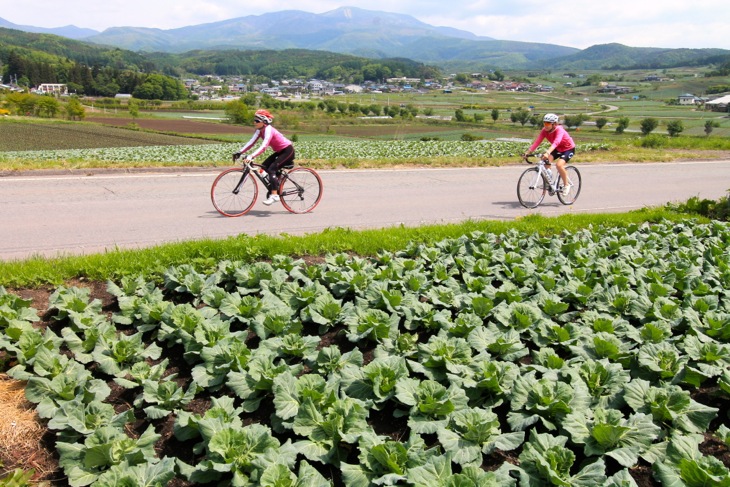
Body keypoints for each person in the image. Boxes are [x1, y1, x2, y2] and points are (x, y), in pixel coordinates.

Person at [232, 109, 295, 205]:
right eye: (254, 120)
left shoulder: (269, 130)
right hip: (279, 152)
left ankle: (274, 195)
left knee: (271, 170)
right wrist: (239, 152)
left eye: (257, 121)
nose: (254, 122)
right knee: (264, 167)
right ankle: (276, 183)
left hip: (287, 151)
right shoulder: (259, 130)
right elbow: (251, 142)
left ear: (264, 122)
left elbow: (264, 146)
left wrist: (251, 156)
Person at [524, 113, 575, 196]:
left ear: (554, 124)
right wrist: (528, 152)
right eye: (544, 123)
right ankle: (550, 183)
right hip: (557, 149)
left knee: (559, 165)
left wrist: (547, 153)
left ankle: (566, 185)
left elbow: (556, 142)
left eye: (548, 123)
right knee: (545, 162)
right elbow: (537, 142)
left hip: (568, 149)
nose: (545, 125)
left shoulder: (559, 130)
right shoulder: (544, 131)